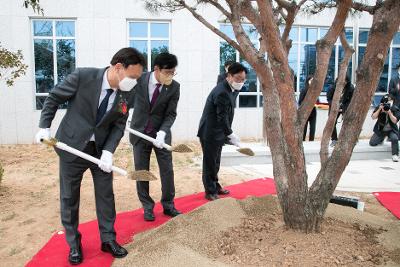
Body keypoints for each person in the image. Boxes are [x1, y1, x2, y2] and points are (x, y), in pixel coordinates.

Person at [35, 47, 145, 264]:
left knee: (106, 195)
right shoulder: (83, 76)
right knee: (69, 198)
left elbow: (119, 124)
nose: (135, 82)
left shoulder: (127, 93)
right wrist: (44, 127)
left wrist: (108, 151)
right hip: (72, 146)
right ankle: (74, 244)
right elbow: (54, 98)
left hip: (99, 151)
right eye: (133, 77)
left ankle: (108, 239)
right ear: (118, 67)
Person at [128, 53, 181, 222]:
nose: (170, 76)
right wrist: (124, 115)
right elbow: (123, 98)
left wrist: (163, 131)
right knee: (142, 171)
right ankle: (147, 206)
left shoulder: (174, 87)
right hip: (139, 133)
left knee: (167, 170)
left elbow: (171, 113)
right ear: (156, 69)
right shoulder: (139, 80)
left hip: (160, 135)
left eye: (173, 72)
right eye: (168, 72)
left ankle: (168, 205)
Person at [198, 62, 248, 201]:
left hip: (219, 132)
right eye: (238, 78)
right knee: (210, 163)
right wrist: (230, 134)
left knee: (216, 161)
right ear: (229, 76)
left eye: (243, 79)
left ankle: (215, 185)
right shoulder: (221, 92)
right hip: (210, 132)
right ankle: (210, 191)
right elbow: (222, 117)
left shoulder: (231, 89)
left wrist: (227, 134)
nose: (241, 82)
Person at [369, 94, 400, 162]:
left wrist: (389, 112)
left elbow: (395, 121)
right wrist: (379, 109)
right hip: (381, 129)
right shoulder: (380, 107)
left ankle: (395, 155)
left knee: (394, 138)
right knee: (372, 143)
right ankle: (381, 139)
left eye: (389, 102)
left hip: (391, 130)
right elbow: (373, 117)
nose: (387, 105)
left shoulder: (395, 108)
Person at [326, 76, 354, 147]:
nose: (343, 83)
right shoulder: (332, 88)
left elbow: (351, 100)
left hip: (346, 107)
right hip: (334, 108)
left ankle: (346, 139)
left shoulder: (350, 88)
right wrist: (335, 106)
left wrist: (343, 108)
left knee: (347, 122)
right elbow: (329, 99)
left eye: (345, 81)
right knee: (332, 122)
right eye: (341, 81)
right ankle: (334, 139)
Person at [299, 76, 317, 141]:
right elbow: (300, 101)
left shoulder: (315, 90)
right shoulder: (304, 90)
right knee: (304, 127)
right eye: (311, 80)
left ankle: (311, 141)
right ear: (308, 81)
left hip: (313, 111)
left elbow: (317, 100)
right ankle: (302, 140)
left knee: (312, 128)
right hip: (305, 111)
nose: (312, 82)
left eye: (313, 81)